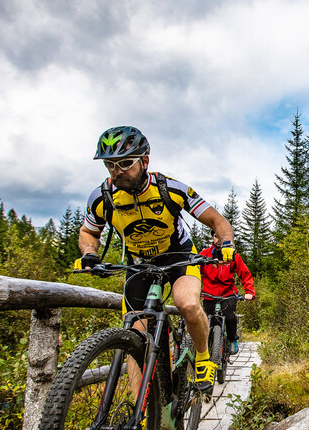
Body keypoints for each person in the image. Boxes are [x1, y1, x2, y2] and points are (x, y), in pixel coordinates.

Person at [76, 125, 235, 394]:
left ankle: (204, 356)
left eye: (125, 163)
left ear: (144, 161)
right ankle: (139, 424)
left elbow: (217, 220)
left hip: (178, 256)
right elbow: (88, 231)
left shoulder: (170, 188)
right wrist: (89, 254)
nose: (118, 171)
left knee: (186, 304)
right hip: (139, 264)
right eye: (110, 165)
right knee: (134, 336)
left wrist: (226, 244)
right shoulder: (102, 197)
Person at [198, 230, 256, 353]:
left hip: (228, 293)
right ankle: (206, 347)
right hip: (209, 294)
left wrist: (249, 292)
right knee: (206, 321)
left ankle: (232, 339)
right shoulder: (204, 254)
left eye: (221, 236)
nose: (218, 239)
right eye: (215, 236)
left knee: (230, 317)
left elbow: (245, 274)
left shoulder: (233, 255)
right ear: (212, 238)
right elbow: (195, 272)